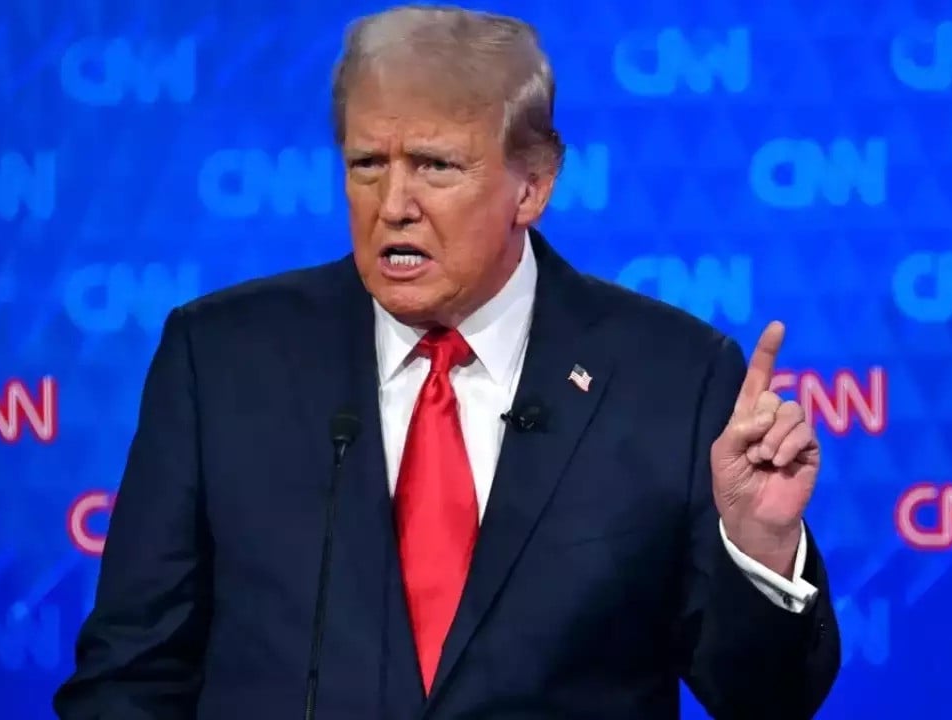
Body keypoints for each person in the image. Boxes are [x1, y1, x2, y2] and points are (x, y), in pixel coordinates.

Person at [53, 5, 841, 719]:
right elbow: (130, 679)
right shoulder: (223, 360)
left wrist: (759, 549)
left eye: (434, 165)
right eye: (368, 164)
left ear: (531, 186)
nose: (393, 203)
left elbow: (767, 702)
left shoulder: (672, 374)